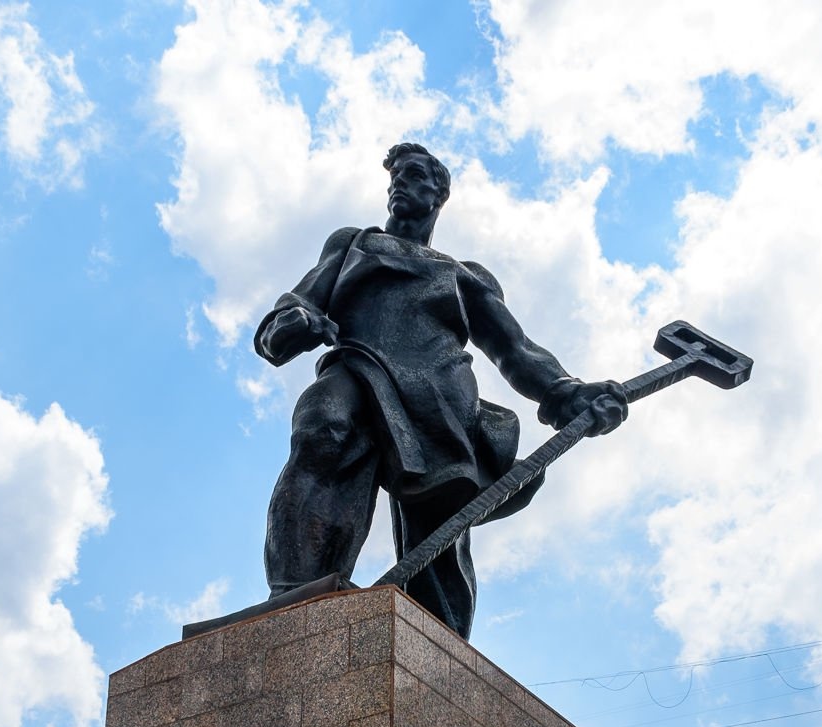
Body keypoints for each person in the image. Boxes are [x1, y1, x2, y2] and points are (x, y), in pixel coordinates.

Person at [254, 142, 627, 640]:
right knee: (324, 427)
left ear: (439, 192)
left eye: (410, 176)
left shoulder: (463, 275)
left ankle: (438, 642)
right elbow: (298, 301)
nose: (397, 186)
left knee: (438, 531)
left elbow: (515, 350)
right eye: (393, 179)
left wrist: (566, 391)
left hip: (440, 399)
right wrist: (291, 322)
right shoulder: (353, 243)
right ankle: (297, 593)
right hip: (360, 364)